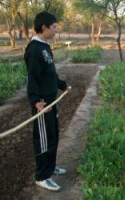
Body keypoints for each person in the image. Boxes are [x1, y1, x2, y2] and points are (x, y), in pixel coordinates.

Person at [24, 11, 68, 191]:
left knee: (53, 135)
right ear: (44, 27)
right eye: (54, 27)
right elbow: (33, 78)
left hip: (51, 100)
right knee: (43, 138)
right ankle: (42, 176)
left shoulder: (45, 46)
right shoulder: (34, 49)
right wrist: (36, 101)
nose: (56, 31)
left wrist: (61, 84)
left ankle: (50, 167)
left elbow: (49, 73)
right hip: (42, 102)